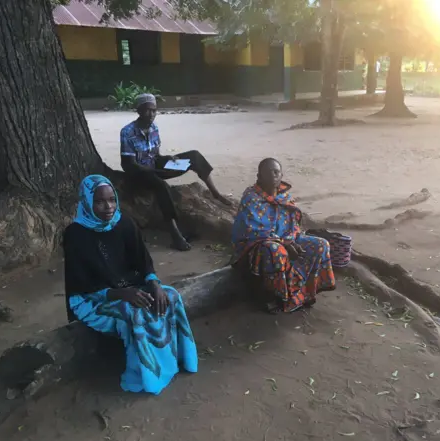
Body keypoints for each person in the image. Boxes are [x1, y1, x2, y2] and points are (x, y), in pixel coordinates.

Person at [63, 175, 198, 394]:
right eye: (99, 201)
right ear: (87, 202)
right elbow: (81, 284)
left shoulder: (124, 223)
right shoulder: (75, 235)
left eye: (112, 200)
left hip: (130, 286)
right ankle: (147, 373)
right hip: (93, 298)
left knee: (170, 296)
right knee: (134, 312)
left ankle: (177, 360)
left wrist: (154, 283)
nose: (108, 207)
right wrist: (120, 294)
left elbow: (143, 262)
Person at [120, 93, 231, 252]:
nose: (151, 114)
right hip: (138, 173)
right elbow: (128, 164)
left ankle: (215, 193)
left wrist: (168, 159)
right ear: (139, 111)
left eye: (154, 110)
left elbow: (156, 156)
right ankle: (175, 234)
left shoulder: (154, 128)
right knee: (160, 185)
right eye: (147, 111)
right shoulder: (127, 132)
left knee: (194, 156)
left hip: (154, 166)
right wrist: (153, 170)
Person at [231, 158, 336, 313]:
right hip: (256, 246)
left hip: (288, 239)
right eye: (269, 173)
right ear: (259, 176)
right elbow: (250, 231)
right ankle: (274, 298)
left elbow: (293, 225)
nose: (273, 175)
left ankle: (304, 293)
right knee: (275, 250)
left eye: (276, 172)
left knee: (321, 245)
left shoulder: (284, 197)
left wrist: (291, 239)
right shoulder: (251, 198)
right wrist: (283, 243)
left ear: (281, 175)